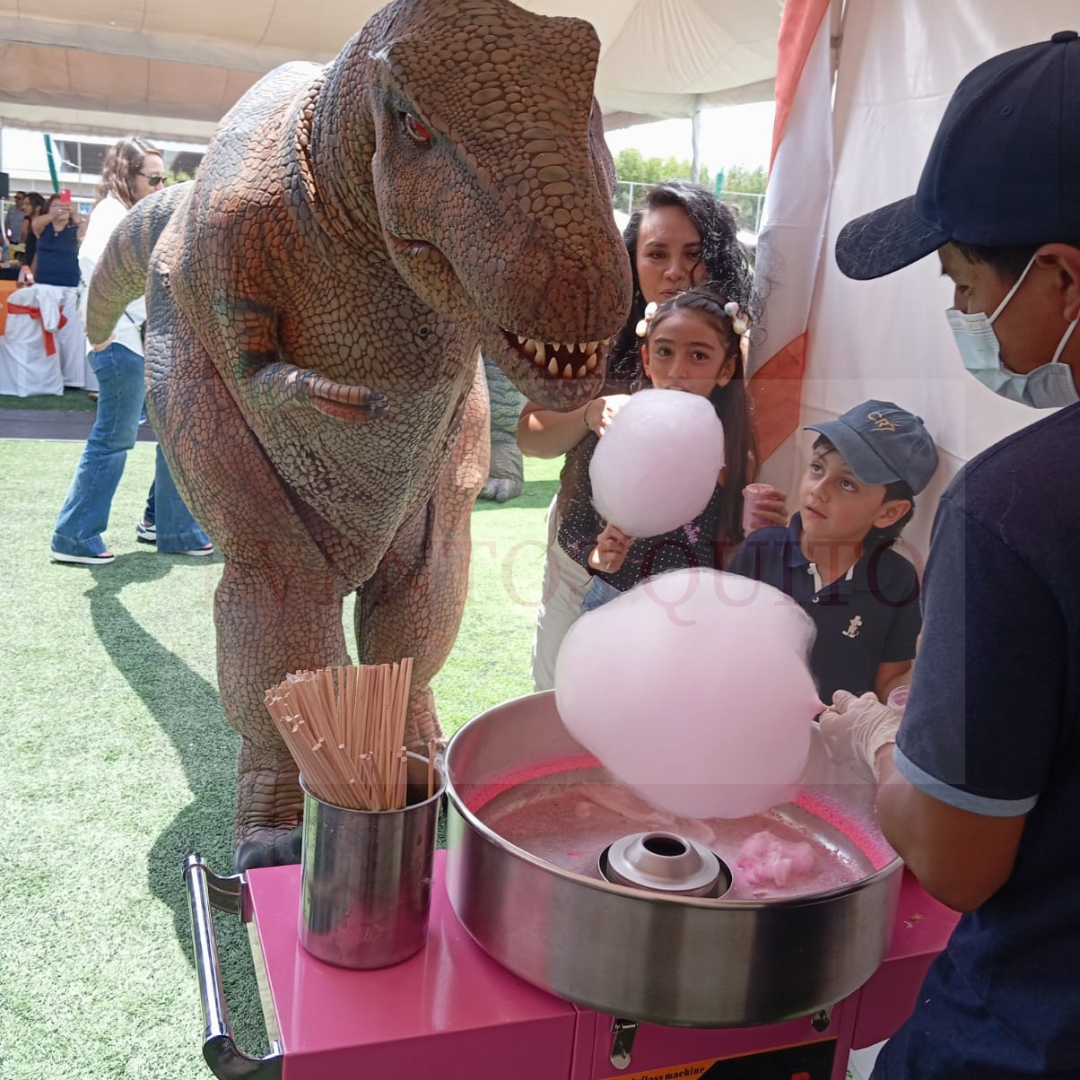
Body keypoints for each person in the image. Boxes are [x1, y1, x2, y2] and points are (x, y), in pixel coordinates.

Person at [819, 31, 1080, 1080]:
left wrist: (887, 743)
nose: (966, 321)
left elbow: (958, 860)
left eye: (967, 289)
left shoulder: (1019, 504)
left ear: (1060, 275)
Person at [518, 180, 783, 688]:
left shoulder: (732, 354)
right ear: (631, 258)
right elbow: (531, 437)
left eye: (694, 254)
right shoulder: (590, 341)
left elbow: (741, 464)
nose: (675, 270)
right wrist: (588, 414)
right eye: (656, 253)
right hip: (583, 552)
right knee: (560, 688)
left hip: (682, 575)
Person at [562, 284, 776, 612]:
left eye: (698, 356)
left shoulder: (735, 459)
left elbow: (730, 556)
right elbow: (573, 526)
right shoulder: (614, 430)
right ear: (646, 359)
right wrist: (598, 554)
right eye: (665, 352)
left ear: (726, 369)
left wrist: (762, 534)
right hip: (614, 603)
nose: (677, 370)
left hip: (695, 613)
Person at [51, 137, 212, 565]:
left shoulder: (128, 212)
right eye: (153, 178)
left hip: (133, 340)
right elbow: (96, 266)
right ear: (128, 175)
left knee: (169, 436)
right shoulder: (111, 213)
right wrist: (122, 321)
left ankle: (167, 525)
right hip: (121, 343)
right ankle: (74, 536)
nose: (160, 185)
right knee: (114, 440)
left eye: (164, 178)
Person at [728, 401, 936, 704]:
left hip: (833, 743)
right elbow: (718, 644)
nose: (819, 489)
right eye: (817, 468)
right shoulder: (761, 549)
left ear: (889, 513)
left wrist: (930, 654)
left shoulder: (897, 580)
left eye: (847, 484)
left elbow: (887, 685)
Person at [30, 193, 83, 286]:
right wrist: (54, 214)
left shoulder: (75, 230)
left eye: (65, 206)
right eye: (54, 205)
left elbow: (86, 234)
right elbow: (35, 223)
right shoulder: (43, 228)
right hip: (43, 284)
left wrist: (76, 217)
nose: (60, 208)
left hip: (69, 286)